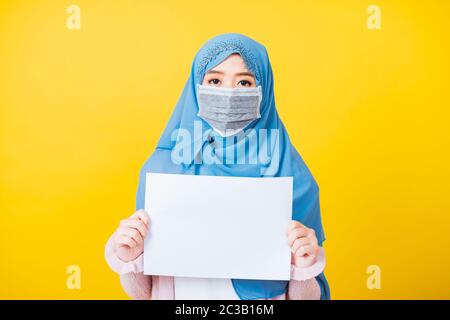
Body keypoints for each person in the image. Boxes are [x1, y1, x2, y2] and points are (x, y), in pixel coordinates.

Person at [105, 33, 330, 300]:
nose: (229, 93)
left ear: (264, 91)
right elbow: (144, 294)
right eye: (214, 80)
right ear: (196, 88)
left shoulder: (292, 177)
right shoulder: (161, 171)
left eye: (244, 82)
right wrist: (130, 257)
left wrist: (303, 265)